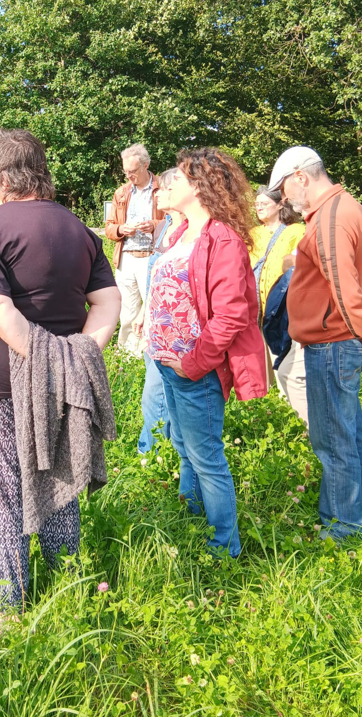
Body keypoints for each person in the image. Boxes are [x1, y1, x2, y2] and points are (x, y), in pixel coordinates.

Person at [0, 129, 121, 608]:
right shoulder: (78, 229)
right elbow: (108, 302)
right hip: (62, 382)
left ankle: (11, 602)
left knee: (3, 486)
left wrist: (42, 354)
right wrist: (74, 356)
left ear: (1, 177)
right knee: (59, 476)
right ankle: (67, 585)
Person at [268, 146, 362, 540]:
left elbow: (347, 290)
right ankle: (352, 515)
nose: (284, 200)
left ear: (300, 176)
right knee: (347, 435)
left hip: (332, 343)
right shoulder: (347, 208)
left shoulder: (330, 217)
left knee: (333, 440)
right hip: (343, 340)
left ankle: (344, 529)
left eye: (284, 190)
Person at [146, 149, 268, 557]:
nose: (169, 184)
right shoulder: (182, 233)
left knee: (207, 458)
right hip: (169, 364)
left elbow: (231, 315)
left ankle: (224, 547)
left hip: (196, 369)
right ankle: (191, 518)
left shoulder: (222, 240)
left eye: (178, 179)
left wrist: (194, 363)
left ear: (199, 187)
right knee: (184, 446)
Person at [131, 168, 183, 453]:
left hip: (174, 329)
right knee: (157, 393)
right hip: (154, 323)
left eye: (163, 189)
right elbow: (156, 276)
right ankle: (167, 451)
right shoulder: (163, 226)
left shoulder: (192, 231)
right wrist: (143, 312)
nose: (157, 193)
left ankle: (150, 456)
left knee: (155, 395)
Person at [249, 185, 309, 424]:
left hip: (282, 308)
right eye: (256, 204)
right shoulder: (253, 234)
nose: (259, 207)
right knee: (259, 366)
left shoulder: (296, 231)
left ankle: (292, 415)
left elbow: (300, 265)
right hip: (255, 307)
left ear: (280, 204)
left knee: (284, 361)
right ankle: (266, 414)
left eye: (264, 203)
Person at [105, 144, 164, 357]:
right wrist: (121, 229)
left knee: (152, 308)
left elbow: (177, 220)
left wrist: (154, 225)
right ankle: (128, 356)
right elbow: (109, 227)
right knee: (127, 310)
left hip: (152, 256)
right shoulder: (121, 192)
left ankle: (150, 352)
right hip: (126, 258)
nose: (129, 176)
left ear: (145, 165)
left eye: (133, 171)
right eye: (126, 171)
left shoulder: (163, 188)